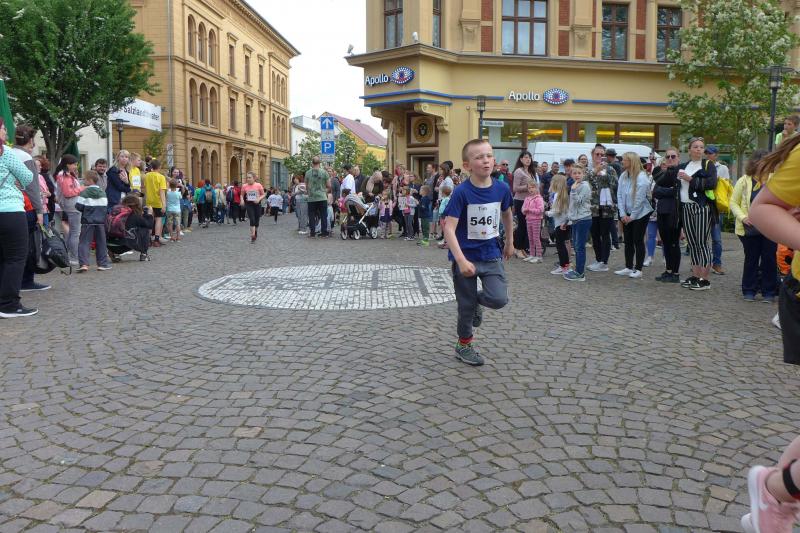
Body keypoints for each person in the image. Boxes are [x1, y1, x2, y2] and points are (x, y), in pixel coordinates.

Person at [443, 139, 514, 366]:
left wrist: (510, 241)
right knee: (465, 307)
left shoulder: (502, 188)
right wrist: (461, 260)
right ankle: (464, 345)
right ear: (467, 165)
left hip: (491, 254)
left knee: (498, 298)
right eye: (479, 157)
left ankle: (476, 303)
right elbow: (449, 228)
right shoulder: (461, 192)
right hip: (465, 257)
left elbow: (507, 214)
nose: (486, 161)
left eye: (489, 155)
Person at [0, 118, 37, 317]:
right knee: (15, 258)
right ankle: (9, 305)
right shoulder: (5, 152)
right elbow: (27, 177)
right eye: (3, 129)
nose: (6, 132)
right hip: (10, 210)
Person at [728, 150, 775, 302]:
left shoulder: (775, 180)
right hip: (750, 227)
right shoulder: (744, 181)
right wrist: (743, 217)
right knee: (751, 259)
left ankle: (768, 291)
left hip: (771, 227)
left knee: (769, 259)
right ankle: (749, 290)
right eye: (762, 162)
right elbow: (733, 202)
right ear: (755, 163)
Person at [10, 125, 48, 292]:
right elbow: (32, 187)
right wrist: (39, 210)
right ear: (31, 140)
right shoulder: (26, 157)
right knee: (28, 246)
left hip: (10, 207)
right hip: (25, 206)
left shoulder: (8, 153)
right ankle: (25, 281)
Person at [678, 137, 718, 291]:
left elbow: (711, 184)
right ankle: (695, 276)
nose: (699, 149)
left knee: (702, 243)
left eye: (701, 147)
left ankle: (705, 279)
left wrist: (690, 179)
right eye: (695, 147)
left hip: (701, 207)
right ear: (689, 150)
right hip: (686, 207)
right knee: (692, 243)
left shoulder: (708, 165)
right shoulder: (684, 166)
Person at [614, 152, 654, 279]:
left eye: (625, 160)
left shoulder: (642, 177)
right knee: (628, 240)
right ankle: (628, 266)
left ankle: (639, 269)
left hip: (641, 213)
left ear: (632, 162)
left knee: (638, 240)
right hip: (627, 213)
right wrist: (622, 214)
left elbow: (639, 200)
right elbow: (619, 195)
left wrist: (632, 216)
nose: (622, 162)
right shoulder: (623, 175)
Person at [586, 144, 618, 273]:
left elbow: (615, 185)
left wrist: (604, 174)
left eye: (602, 154)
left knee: (605, 234)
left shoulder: (610, 169)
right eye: (597, 154)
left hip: (606, 208)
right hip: (593, 207)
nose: (599, 156)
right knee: (594, 234)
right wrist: (595, 171)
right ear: (592, 155)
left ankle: (604, 262)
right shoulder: (588, 170)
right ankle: (598, 259)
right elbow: (583, 181)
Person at [652, 147, 683, 283]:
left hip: (674, 212)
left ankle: (675, 273)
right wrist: (669, 190)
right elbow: (655, 191)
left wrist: (665, 190)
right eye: (668, 156)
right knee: (665, 243)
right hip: (662, 211)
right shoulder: (663, 173)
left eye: (673, 156)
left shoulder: (681, 172)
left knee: (674, 243)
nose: (670, 159)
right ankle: (668, 270)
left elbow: (678, 191)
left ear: (678, 158)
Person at [75, 171, 111, 272]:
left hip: (87, 221)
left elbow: (78, 206)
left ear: (90, 180)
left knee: (84, 242)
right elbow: (105, 206)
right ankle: (102, 264)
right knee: (101, 243)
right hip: (100, 222)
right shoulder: (103, 192)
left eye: (85, 179)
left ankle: (84, 264)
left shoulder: (84, 192)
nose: (83, 181)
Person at [564, 164, 593, 281]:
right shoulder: (575, 185)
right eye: (574, 173)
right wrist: (567, 219)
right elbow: (571, 205)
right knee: (576, 246)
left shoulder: (584, 186)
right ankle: (578, 270)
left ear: (583, 174)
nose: (577, 175)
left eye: (579, 173)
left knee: (580, 247)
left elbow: (579, 202)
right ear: (571, 174)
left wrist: (573, 190)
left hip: (583, 219)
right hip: (576, 219)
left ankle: (580, 274)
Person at [106, 195, 154, 262]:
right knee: (144, 229)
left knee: (126, 233)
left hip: (110, 245)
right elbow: (149, 225)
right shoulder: (134, 215)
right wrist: (149, 214)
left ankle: (115, 254)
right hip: (124, 245)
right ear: (137, 205)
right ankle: (144, 254)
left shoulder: (115, 213)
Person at [54, 154, 83, 264]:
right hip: (72, 205)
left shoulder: (64, 174)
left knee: (71, 232)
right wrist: (81, 189)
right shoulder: (64, 176)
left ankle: (66, 254)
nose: (76, 166)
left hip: (69, 205)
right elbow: (68, 193)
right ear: (67, 164)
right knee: (75, 232)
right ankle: (74, 257)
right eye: (74, 164)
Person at [704, 145, 728, 275]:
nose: (708, 155)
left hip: (716, 206)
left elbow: (725, 185)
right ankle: (701, 263)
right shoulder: (701, 166)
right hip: (703, 204)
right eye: (706, 153)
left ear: (716, 155)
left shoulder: (722, 168)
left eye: (710, 153)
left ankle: (717, 264)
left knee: (717, 238)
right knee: (701, 238)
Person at [546, 174, 571, 275]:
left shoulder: (558, 195)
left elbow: (557, 211)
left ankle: (563, 266)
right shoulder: (563, 194)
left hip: (560, 224)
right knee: (562, 245)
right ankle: (565, 266)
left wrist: (547, 213)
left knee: (560, 246)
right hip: (565, 223)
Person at [512, 151, 534, 260]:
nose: (528, 159)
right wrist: (528, 187)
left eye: (529, 157)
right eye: (525, 157)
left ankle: (522, 248)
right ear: (521, 159)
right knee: (522, 225)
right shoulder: (519, 171)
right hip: (520, 201)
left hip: (529, 201)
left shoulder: (530, 171)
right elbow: (515, 188)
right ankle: (517, 248)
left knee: (526, 226)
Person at [143, 159, 168, 245]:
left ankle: (149, 239)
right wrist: (164, 204)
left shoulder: (146, 176)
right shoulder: (161, 177)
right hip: (158, 202)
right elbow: (162, 192)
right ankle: (156, 239)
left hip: (149, 201)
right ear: (159, 167)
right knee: (158, 219)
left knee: (150, 219)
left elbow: (144, 187)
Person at [305, 156, 331, 238]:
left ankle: (312, 233)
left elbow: (306, 186)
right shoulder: (324, 172)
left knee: (311, 216)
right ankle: (324, 233)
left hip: (312, 198)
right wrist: (324, 191)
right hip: (322, 197)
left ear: (312, 163)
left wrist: (309, 193)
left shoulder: (308, 173)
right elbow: (329, 185)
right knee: (323, 215)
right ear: (319, 163)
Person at [521, 181, 545, 263]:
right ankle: (532, 255)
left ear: (536, 188)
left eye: (532, 187)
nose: (531, 189)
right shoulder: (527, 198)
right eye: (529, 188)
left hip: (536, 220)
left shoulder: (539, 198)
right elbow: (523, 209)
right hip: (528, 220)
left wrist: (530, 210)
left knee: (536, 238)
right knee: (530, 238)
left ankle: (539, 256)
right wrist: (524, 210)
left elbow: (541, 210)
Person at [241, 172, 265, 243]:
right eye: (247, 177)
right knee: (252, 219)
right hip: (249, 204)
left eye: (249, 177)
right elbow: (241, 195)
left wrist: (258, 199)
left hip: (257, 204)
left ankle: (255, 231)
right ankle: (253, 236)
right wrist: (242, 200)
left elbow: (263, 194)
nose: (248, 179)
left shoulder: (258, 185)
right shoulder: (244, 186)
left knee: (257, 221)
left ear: (254, 178)